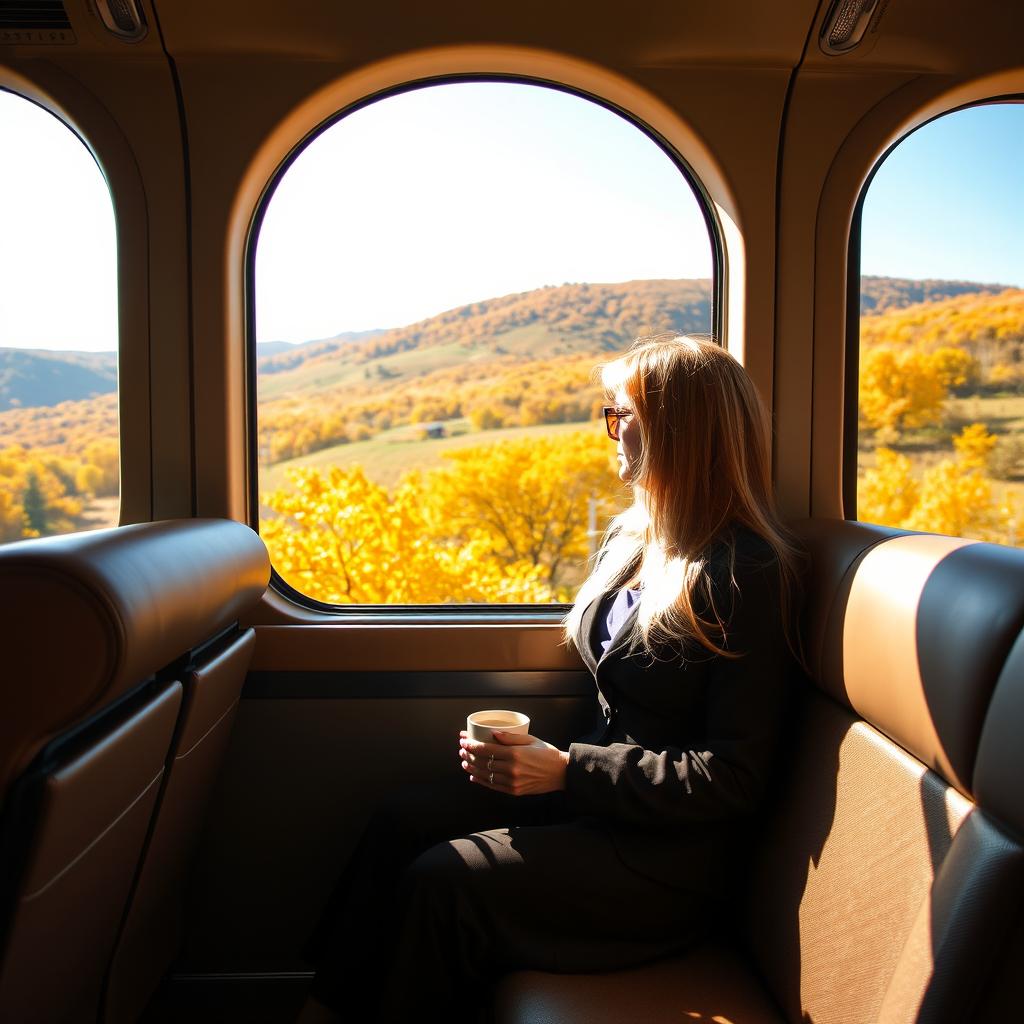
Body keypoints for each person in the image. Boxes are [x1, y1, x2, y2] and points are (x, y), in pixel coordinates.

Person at [297, 335, 802, 1023]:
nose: (612, 430)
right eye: (611, 413)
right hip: (600, 810)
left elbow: (733, 777)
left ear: (682, 432)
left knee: (442, 880)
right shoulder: (633, 542)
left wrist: (568, 772)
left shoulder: (746, 575)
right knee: (399, 822)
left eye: (625, 414)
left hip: (666, 863)